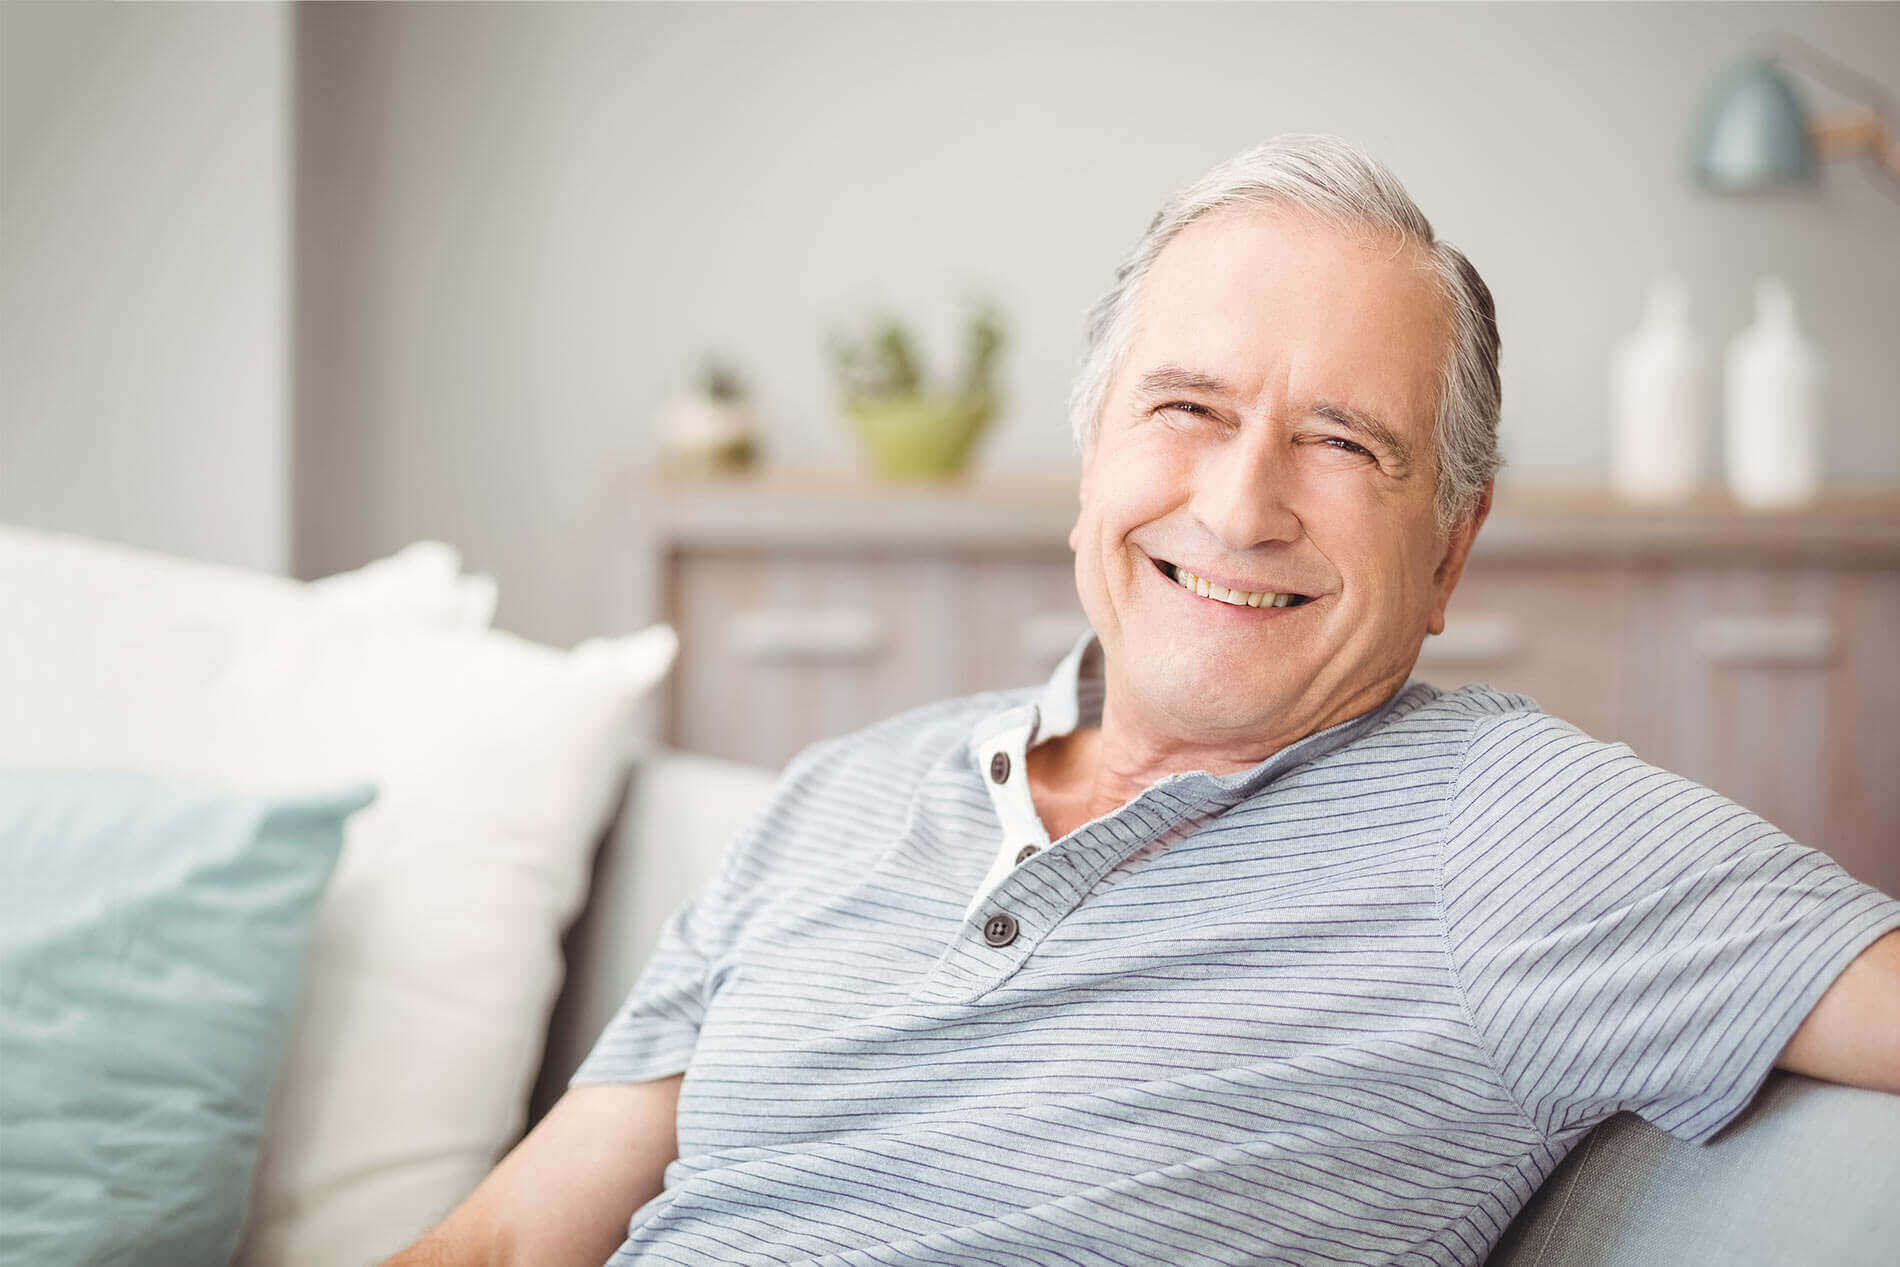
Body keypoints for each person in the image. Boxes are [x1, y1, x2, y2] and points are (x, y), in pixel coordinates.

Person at [387, 133, 1900, 1267]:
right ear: (1092, 459)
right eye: (1187, 409)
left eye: (1343, 444)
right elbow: (514, 1242)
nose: (1242, 507)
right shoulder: (841, 792)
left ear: (1450, 550)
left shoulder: (1510, 833)